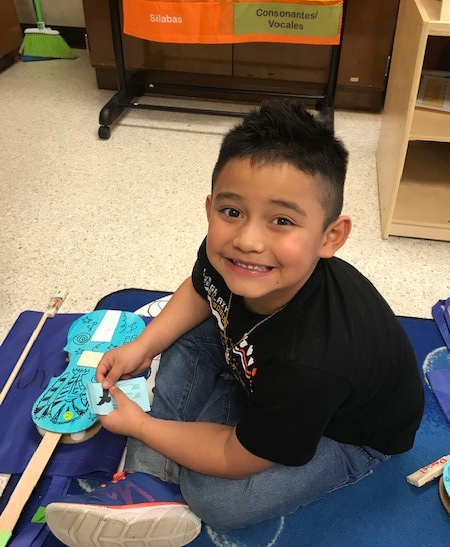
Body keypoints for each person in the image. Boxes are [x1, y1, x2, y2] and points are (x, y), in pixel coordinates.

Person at [45, 100, 424, 547]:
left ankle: (168, 446)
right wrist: (142, 348)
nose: (247, 240)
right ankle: (150, 481)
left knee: (217, 501)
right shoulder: (228, 255)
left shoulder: (315, 362)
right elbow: (201, 287)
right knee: (181, 331)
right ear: (210, 208)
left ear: (330, 237)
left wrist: (140, 426)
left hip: (345, 433)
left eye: (281, 221)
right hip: (266, 371)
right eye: (231, 212)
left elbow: (236, 456)